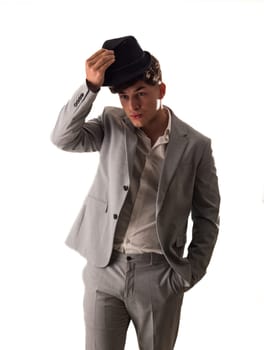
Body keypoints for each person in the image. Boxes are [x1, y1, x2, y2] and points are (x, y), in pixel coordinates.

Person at [51, 35, 220, 350]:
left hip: (159, 276)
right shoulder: (112, 123)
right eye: (125, 97)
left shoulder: (195, 145)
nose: (133, 105)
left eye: (141, 94)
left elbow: (207, 216)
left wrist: (189, 273)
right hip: (104, 269)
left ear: (162, 90)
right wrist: (89, 87)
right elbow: (63, 138)